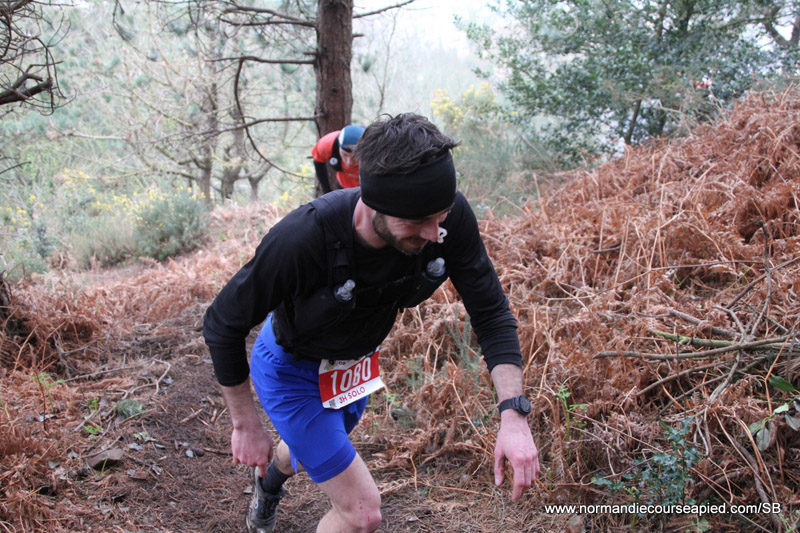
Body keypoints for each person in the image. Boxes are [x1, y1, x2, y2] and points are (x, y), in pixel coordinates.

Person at [203, 113, 540, 533]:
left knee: (308, 446)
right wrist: (245, 425)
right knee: (362, 514)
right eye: (417, 222)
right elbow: (222, 323)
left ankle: (268, 485)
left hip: (352, 372)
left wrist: (513, 414)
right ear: (374, 201)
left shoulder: (446, 222)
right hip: (290, 369)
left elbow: (490, 311)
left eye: (441, 215)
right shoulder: (304, 238)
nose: (434, 233)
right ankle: (277, 479)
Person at [312, 124, 365, 193]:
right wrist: (326, 190)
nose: (349, 162)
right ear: (339, 147)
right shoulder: (327, 144)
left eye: (355, 156)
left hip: (367, 187)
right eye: (345, 155)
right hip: (343, 185)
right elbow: (318, 164)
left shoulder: (374, 151)